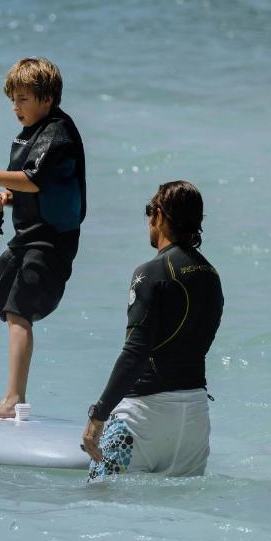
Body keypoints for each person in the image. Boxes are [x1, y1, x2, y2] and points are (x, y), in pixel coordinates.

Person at [0, 57, 86, 419]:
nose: (16, 107)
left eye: (23, 99)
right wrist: (6, 197)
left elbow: (34, 179)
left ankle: (13, 400)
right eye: (13, 99)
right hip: (26, 238)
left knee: (17, 312)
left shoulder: (58, 133)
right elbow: (26, 186)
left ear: (48, 98)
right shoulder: (27, 134)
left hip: (50, 242)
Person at [81, 180, 224, 479]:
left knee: (97, 499)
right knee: (178, 517)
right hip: (195, 420)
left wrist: (98, 415)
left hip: (143, 418)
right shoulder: (212, 275)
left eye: (150, 211)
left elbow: (136, 351)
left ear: (159, 215)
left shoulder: (150, 272)